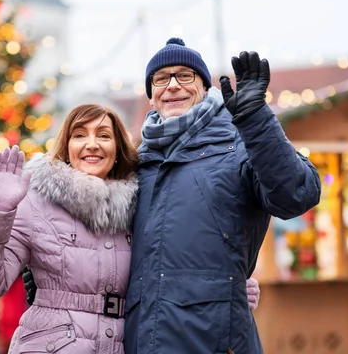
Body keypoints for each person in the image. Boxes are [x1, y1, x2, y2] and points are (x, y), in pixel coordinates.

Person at [121, 38, 321, 354]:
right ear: (151, 95)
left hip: (212, 342)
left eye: (185, 76)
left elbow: (296, 194)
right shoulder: (136, 164)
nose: (172, 86)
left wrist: (256, 120)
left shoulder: (239, 147)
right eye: (161, 79)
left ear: (204, 87)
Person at [0, 104, 140, 353]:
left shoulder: (136, 209)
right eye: (79, 135)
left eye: (104, 135)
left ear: (118, 150)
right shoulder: (35, 204)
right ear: (66, 148)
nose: (92, 144)